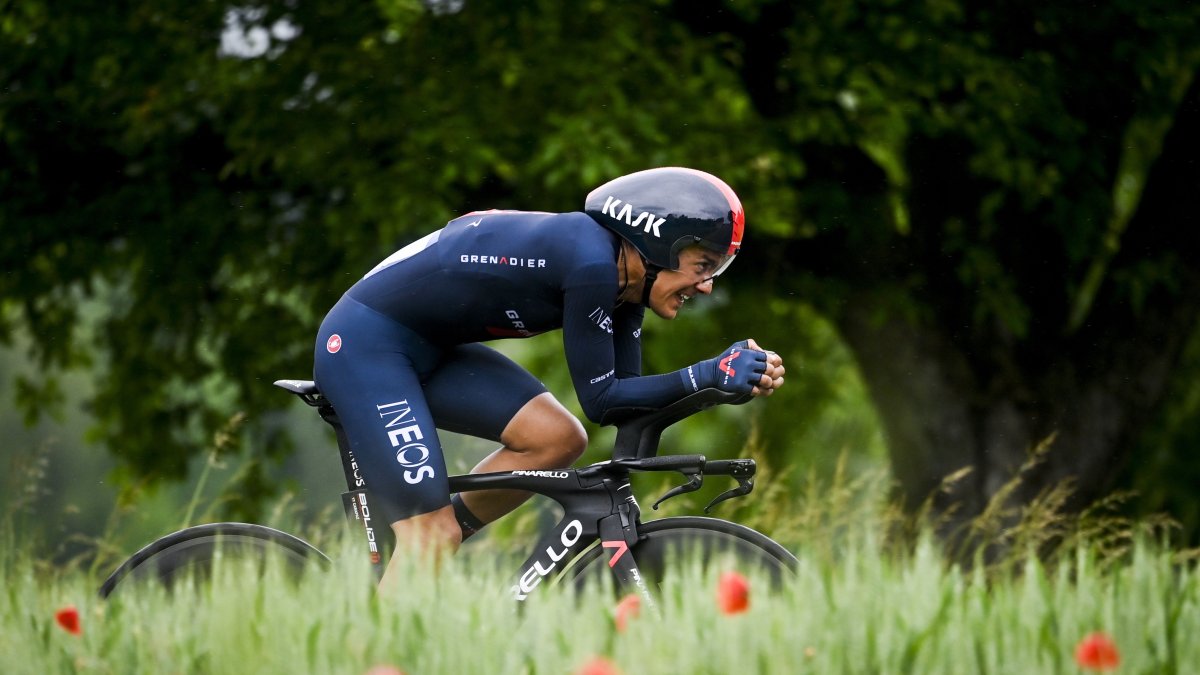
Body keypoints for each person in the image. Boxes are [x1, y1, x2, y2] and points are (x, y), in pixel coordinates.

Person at [313, 166, 785, 588]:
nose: (707, 285)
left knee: (556, 439)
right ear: (658, 244)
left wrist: (720, 386)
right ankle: (403, 592)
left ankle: (422, 558)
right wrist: (707, 372)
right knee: (430, 533)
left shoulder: (626, 284)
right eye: (704, 265)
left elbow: (624, 405)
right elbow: (602, 398)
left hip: (426, 347)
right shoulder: (591, 264)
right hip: (363, 346)